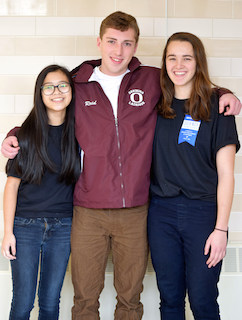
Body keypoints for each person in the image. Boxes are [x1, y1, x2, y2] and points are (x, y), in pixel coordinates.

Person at [1, 12, 241, 320]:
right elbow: (49, 110)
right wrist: (15, 135)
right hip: (88, 210)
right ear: (99, 42)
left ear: (136, 45)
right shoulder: (77, 83)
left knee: (131, 299)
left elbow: (189, 84)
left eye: (127, 43)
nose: (119, 51)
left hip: (138, 210)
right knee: (85, 299)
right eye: (112, 41)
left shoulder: (153, 80)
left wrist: (225, 94)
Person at [147, 32, 240, 320]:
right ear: (164, 62)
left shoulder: (218, 107)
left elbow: (227, 174)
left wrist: (221, 230)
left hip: (202, 215)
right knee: (170, 300)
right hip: (160, 213)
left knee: (202, 301)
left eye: (187, 58)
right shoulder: (154, 105)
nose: (179, 65)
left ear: (198, 62)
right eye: (172, 57)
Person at [1, 64, 80, 320]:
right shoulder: (25, 136)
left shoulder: (80, 134)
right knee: (23, 303)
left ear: (71, 91)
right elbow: (11, 185)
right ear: (40, 92)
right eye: (49, 86)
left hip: (64, 226)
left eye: (63, 85)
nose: (56, 91)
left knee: (50, 302)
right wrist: (8, 233)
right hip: (26, 227)